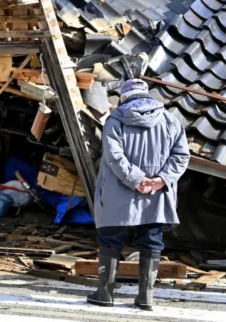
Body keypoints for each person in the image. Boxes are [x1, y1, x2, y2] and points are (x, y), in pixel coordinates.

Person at [87, 78, 190, 311]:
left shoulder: (115, 120)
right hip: (156, 193)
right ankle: (146, 297)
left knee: (111, 239)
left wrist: (136, 179)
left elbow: (114, 156)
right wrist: (160, 180)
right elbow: (182, 156)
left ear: (123, 97)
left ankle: (105, 293)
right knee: (151, 241)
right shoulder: (171, 120)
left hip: (118, 192)